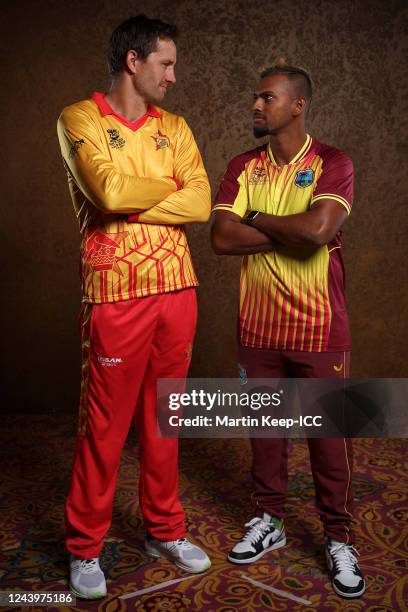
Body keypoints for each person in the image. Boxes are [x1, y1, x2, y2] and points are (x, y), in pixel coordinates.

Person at [57, 14, 211, 600]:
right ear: (134, 61)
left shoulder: (177, 126)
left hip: (178, 288)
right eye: (166, 63)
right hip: (116, 294)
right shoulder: (80, 118)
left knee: (165, 418)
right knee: (104, 425)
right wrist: (158, 191)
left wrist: (134, 200)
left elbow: (199, 203)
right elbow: (108, 192)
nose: (173, 76)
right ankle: (85, 547)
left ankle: (164, 530)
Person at [211, 60, 365, 599]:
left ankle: (339, 538)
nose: (256, 105)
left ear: (297, 105)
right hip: (258, 327)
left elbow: (321, 229)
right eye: (256, 98)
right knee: (266, 436)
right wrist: (289, 232)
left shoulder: (332, 162)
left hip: (320, 326)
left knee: (329, 440)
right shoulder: (241, 166)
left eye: (267, 98)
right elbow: (220, 240)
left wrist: (253, 218)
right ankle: (269, 521)